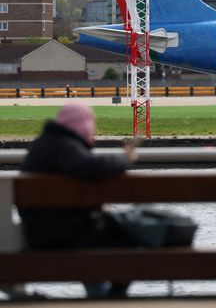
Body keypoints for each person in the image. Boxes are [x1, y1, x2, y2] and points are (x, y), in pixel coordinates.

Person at [19, 102, 138, 298]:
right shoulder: (65, 146)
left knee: (103, 238)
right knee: (131, 236)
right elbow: (91, 166)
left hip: (43, 229)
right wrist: (125, 159)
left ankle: (101, 296)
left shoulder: (48, 143)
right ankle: (113, 298)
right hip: (60, 233)